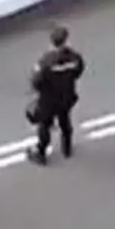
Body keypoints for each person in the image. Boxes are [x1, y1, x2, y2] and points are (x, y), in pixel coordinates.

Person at [27, 26, 85, 165]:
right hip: (67, 96)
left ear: (52, 43)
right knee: (65, 121)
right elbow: (79, 71)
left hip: (49, 100)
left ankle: (41, 152)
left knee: (44, 124)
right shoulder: (74, 57)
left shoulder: (46, 61)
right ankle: (67, 148)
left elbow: (36, 81)